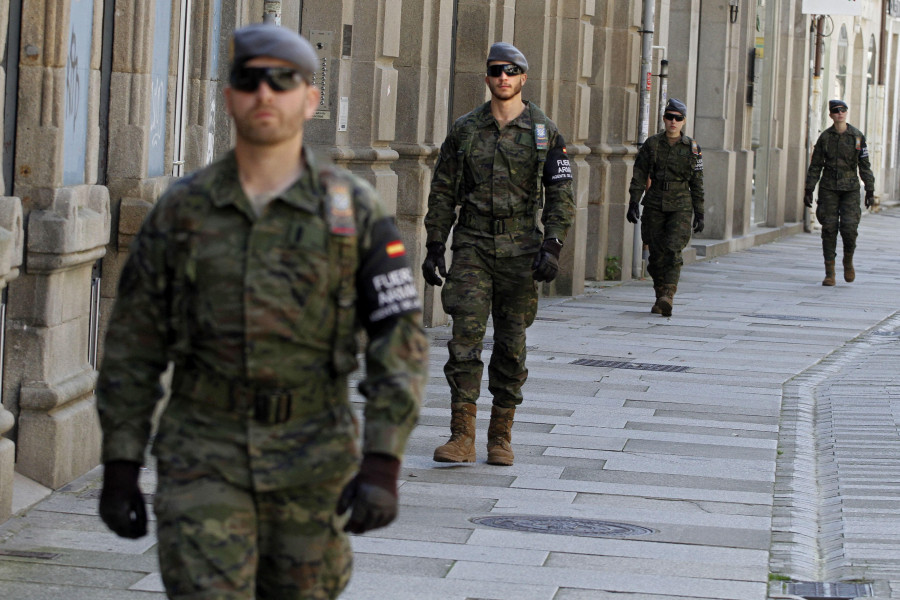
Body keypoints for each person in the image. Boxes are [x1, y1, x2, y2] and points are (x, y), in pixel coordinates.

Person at [95, 23, 427, 600]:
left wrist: (382, 461)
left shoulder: (353, 210)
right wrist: (121, 461)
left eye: (283, 80)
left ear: (310, 98)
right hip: (204, 452)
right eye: (250, 81)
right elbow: (133, 343)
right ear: (229, 97)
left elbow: (397, 338)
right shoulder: (182, 212)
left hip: (312, 457)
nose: (265, 94)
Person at [422, 42, 574, 466]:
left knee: (511, 345)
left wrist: (553, 244)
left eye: (511, 71)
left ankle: (500, 436)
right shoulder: (466, 129)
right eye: (496, 71)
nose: (503, 78)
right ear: (487, 77)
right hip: (472, 243)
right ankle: (461, 436)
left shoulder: (544, 132)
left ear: (523, 78)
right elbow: (443, 189)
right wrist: (436, 242)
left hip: (521, 249)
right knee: (464, 341)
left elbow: (561, 193)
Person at [626, 98, 704, 317]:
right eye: (669, 117)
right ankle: (660, 295)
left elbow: (697, 182)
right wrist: (633, 201)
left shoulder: (692, 148)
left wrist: (700, 212)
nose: (673, 122)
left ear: (683, 121)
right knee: (656, 254)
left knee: (672, 250)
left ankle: (668, 294)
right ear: (664, 119)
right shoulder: (652, 144)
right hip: (655, 203)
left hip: (680, 205)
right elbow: (639, 174)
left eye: (678, 118)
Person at [804, 99, 875, 286]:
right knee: (828, 228)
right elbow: (816, 165)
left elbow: (864, 165)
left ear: (846, 112)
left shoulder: (857, 137)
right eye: (836, 111)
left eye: (843, 110)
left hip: (850, 189)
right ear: (831, 115)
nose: (840, 113)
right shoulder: (825, 138)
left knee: (850, 228)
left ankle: (848, 261)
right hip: (829, 188)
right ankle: (830, 272)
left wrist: (869, 189)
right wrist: (809, 188)